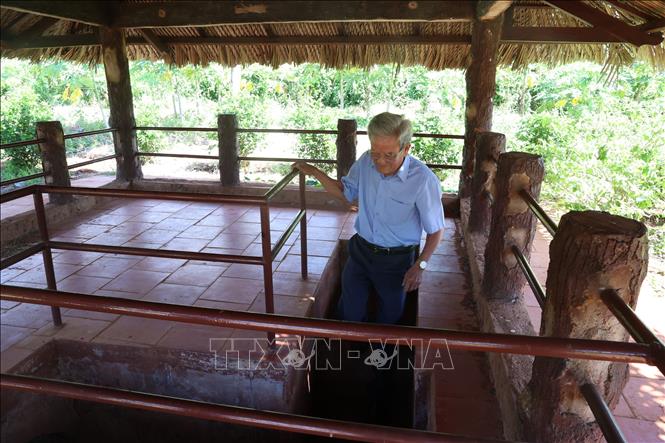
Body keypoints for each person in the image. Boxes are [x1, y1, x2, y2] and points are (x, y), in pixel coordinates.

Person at [293, 112, 445, 325]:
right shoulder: (366, 161)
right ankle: (346, 343)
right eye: (376, 153)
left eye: (389, 155)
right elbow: (345, 191)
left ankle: (380, 346)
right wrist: (314, 172)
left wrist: (420, 265)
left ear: (406, 148)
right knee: (349, 312)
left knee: (389, 318)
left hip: (396, 260)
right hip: (361, 252)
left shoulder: (423, 180)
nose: (381, 162)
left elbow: (436, 229)